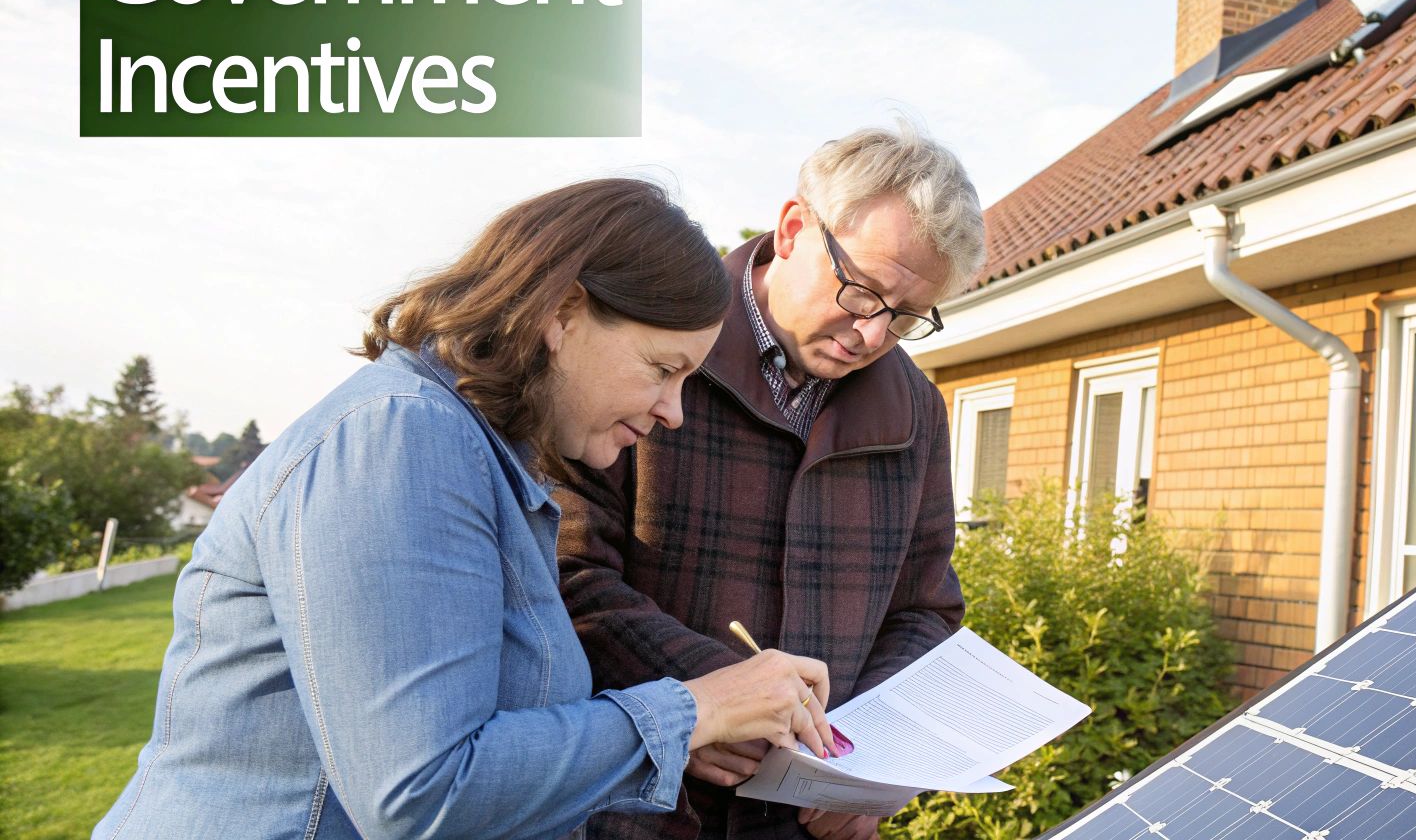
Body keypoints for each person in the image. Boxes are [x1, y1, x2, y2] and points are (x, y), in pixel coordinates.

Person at [94, 179, 836, 840]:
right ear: (563, 312)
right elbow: (419, 792)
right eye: (661, 369)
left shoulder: (474, 452)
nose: (675, 411)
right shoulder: (400, 440)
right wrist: (693, 711)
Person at [558, 124, 988, 840]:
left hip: (805, 823)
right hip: (635, 809)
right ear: (793, 229)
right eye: (863, 292)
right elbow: (564, 568)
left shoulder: (916, 409)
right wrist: (701, 701)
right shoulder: (647, 341)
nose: (874, 336)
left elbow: (925, 611)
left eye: (907, 317)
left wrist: (868, 762)